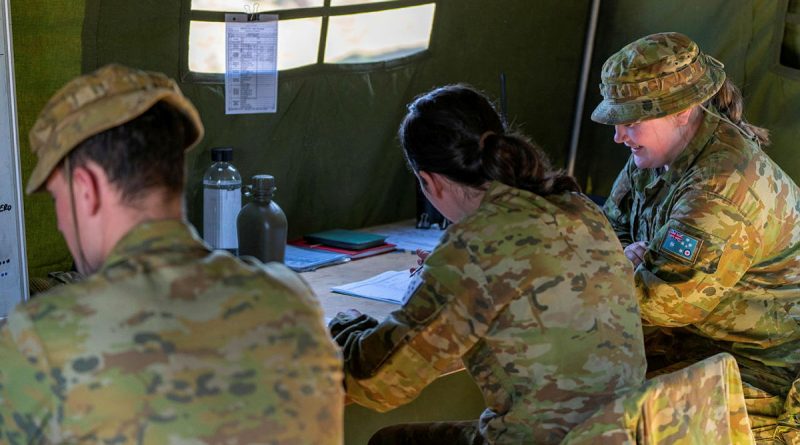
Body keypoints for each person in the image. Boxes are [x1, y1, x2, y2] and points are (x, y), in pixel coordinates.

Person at [0, 64, 343, 444]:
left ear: (87, 188)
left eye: (56, 199)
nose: (62, 224)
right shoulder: (292, 300)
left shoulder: (38, 339)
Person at [329, 84, 646, 445]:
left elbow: (381, 383)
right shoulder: (578, 206)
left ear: (428, 181)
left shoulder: (475, 246)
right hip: (616, 432)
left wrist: (345, 325)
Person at [593, 31, 800, 443]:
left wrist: (626, 262)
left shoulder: (724, 188)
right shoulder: (655, 155)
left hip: (760, 378)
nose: (619, 136)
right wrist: (628, 260)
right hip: (693, 344)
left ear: (683, 111)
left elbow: (661, 303)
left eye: (631, 121)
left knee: (614, 426)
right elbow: (605, 228)